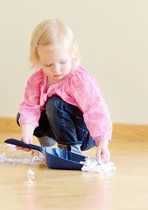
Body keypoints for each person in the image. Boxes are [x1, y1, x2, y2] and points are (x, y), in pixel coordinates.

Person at [16, 19, 112, 163]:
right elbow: (30, 108)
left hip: (84, 134)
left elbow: (96, 110)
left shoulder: (79, 80)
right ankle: (47, 147)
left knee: (55, 103)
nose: (56, 69)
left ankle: (71, 151)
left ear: (72, 55)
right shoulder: (37, 80)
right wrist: (26, 134)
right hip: (58, 129)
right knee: (23, 116)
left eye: (62, 62)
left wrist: (103, 142)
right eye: (48, 64)